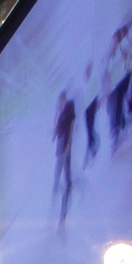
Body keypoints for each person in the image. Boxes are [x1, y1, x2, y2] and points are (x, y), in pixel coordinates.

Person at [52, 88, 76, 222]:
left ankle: (64, 210)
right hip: (61, 143)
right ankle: (57, 186)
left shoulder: (69, 109)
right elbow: (57, 126)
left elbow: (71, 128)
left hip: (65, 143)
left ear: (63, 100)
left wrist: (68, 146)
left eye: (60, 101)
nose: (58, 104)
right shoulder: (61, 111)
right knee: (58, 166)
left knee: (65, 169)